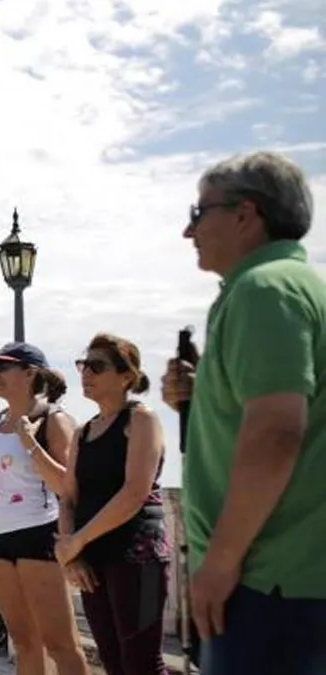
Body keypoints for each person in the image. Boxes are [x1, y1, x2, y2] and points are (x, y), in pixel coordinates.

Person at [162, 150, 326, 675]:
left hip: (267, 581)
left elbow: (277, 433)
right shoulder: (294, 287)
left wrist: (221, 562)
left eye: (198, 213)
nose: (189, 232)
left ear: (244, 214)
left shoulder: (263, 290)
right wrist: (201, 391)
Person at [57, 334, 169, 675]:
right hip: (94, 558)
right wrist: (72, 552)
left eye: (97, 366)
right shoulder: (83, 432)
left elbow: (135, 492)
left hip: (139, 557)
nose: (85, 373)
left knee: (142, 663)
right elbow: (69, 496)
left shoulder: (141, 419)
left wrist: (78, 540)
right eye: (83, 365)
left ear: (126, 376)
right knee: (113, 661)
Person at [0, 342, 89, 675]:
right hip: (0, 537)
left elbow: (69, 487)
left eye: (1, 368)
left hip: (40, 533)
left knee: (61, 645)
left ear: (30, 373)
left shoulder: (53, 417)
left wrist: (31, 443)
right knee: (23, 643)